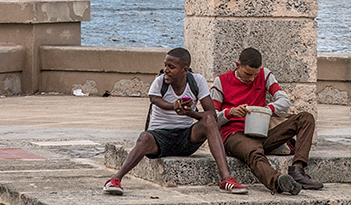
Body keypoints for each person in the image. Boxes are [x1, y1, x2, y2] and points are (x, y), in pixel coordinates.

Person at [103, 47, 247, 195]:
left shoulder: (197, 81)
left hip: (186, 138)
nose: (166, 70)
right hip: (160, 138)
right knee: (144, 137)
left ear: (185, 70)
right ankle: (115, 179)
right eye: (165, 65)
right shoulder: (160, 82)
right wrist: (174, 106)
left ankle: (226, 178)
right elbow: (155, 100)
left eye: (171, 67)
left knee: (209, 120)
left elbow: (212, 113)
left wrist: (190, 113)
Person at [210, 47, 323, 195]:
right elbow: (211, 119)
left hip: (261, 131)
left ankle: (297, 169)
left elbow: (284, 100)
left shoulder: (264, 74)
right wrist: (230, 112)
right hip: (234, 135)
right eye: (247, 74)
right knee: (254, 152)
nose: (251, 79)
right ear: (238, 65)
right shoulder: (221, 81)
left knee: (305, 118)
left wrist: (267, 109)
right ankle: (278, 182)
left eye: (254, 75)